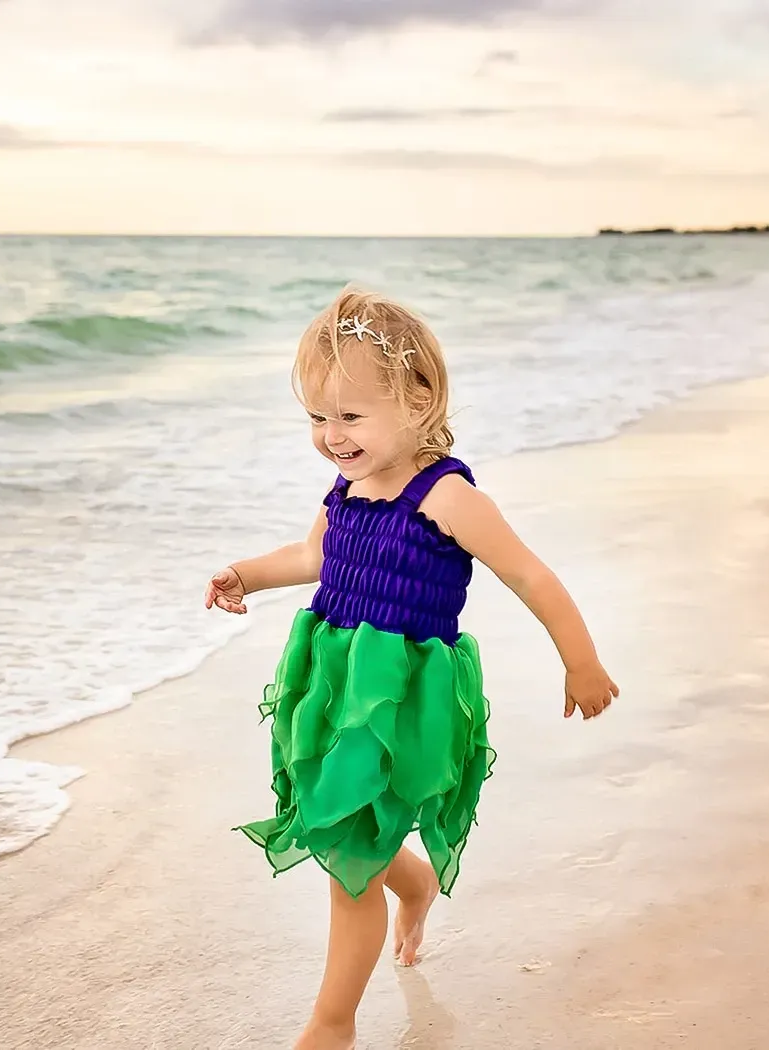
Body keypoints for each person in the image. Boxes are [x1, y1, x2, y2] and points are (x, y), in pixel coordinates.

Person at [204, 286, 619, 1050]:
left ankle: (332, 1026)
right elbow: (313, 555)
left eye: (350, 417)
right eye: (317, 418)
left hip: (403, 695)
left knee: (348, 856)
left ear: (419, 399)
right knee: (340, 824)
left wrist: (581, 663)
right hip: (332, 681)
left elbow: (531, 576)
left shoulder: (449, 497)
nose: (332, 436)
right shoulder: (349, 484)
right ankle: (415, 880)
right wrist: (246, 574)